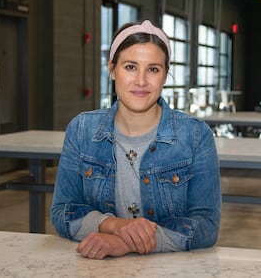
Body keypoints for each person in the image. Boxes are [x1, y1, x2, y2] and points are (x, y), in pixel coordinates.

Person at [50, 19, 221, 260]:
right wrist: (114, 226)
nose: (141, 81)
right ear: (112, 69)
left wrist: (128, 244)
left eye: (153, 69)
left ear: (164, 75)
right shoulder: (81, 129)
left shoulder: (195, 135)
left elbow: (207, 225)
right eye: (130, 67)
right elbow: (62, 211)